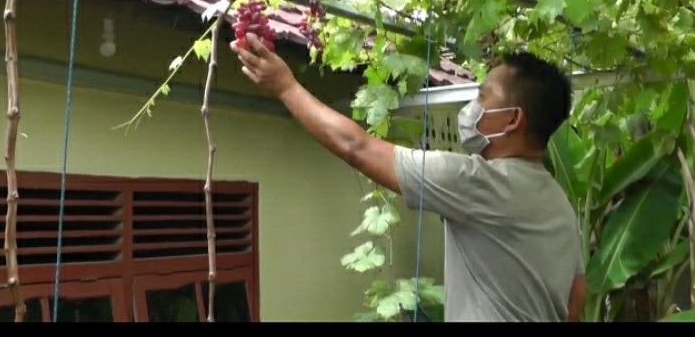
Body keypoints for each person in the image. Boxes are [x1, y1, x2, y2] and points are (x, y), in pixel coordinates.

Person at [230, 33, 587, 323]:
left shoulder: (478, 182)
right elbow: (576, 295)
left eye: (483, 96)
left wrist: (286, 87)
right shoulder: (560, 205)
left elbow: (357, 147)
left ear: (513, 120)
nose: (473, 106)